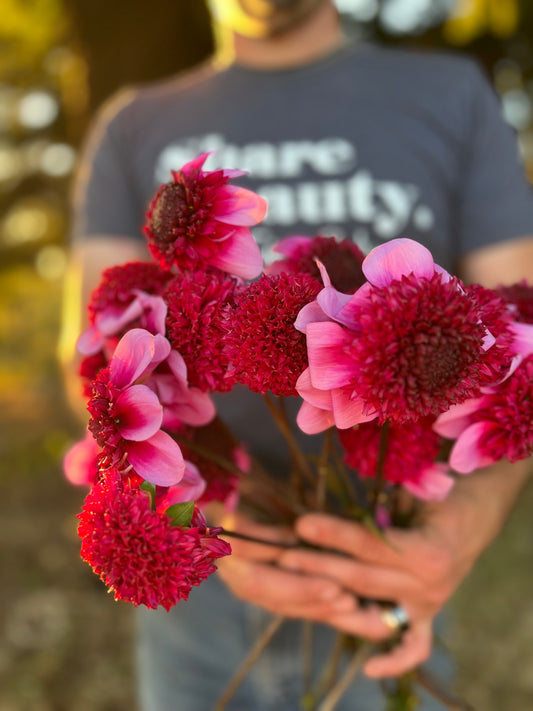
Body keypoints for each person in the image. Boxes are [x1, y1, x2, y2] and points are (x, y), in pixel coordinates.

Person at [61, 0, 533, 708]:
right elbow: (95, 360)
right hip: (207, 586)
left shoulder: (453, 94)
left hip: (392, 559)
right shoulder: (131, 122)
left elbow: (517, 336)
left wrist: (461, 529)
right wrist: (219, 512)